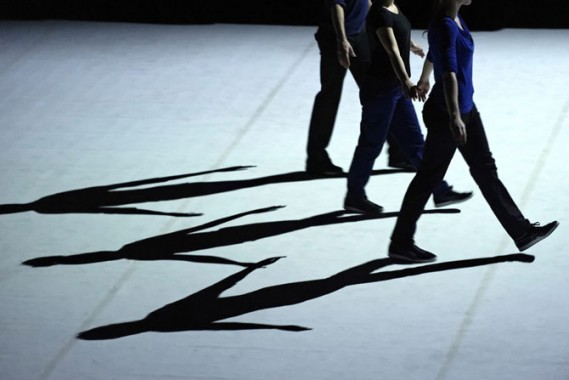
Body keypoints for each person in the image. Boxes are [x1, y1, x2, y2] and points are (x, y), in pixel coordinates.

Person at [388, 0, 559, 263]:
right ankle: (400, 243)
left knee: (485, 170)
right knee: (428, 178)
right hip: (450, 114)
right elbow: (450, 74)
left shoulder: (453, 18)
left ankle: (522, 232)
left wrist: (424, 78)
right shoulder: (445, 24)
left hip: (466, 108)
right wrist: (455, 116)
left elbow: (438, 52)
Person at [344, 0, 473, 214]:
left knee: (415, 143)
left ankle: (439, 191)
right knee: (371, 144)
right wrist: (406, 80)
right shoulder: (378, 13)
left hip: (396, 90)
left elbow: (398, 36)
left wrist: (411, 45)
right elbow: (392, 50)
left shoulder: (393, 7)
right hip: (380, 90)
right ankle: (354, 196)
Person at [306, 0, 413, 176]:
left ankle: (399, 153)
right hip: (337, 39)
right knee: (329, 96)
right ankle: (316, 160)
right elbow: (336, 5)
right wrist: (342, 40)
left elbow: (368, 3)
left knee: (382, 92)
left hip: (359, 36)